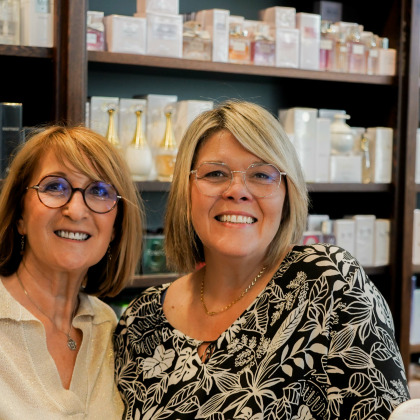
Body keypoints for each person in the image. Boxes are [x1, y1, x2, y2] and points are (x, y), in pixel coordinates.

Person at [114, 100, 410, 419]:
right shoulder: (141, 320)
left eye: (261, 175)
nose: (237, 191)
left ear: (287, 193)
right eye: (215, 173)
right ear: (186, 191)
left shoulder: (327, 284)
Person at [0, 125, 143, 419]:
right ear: (20, 216)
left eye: (100, 191)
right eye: (54, 187)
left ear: (115, 228)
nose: (76, 211)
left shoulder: (109, 326)